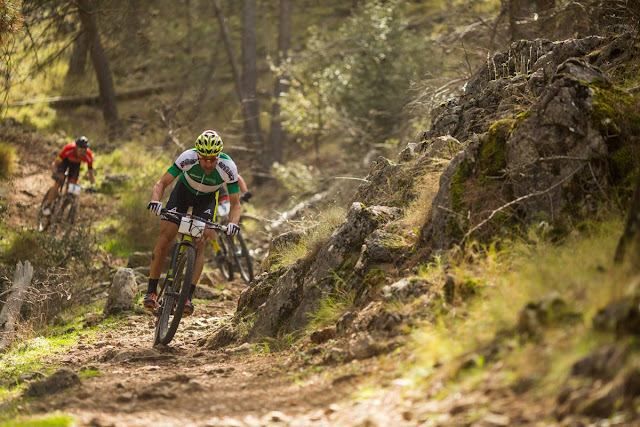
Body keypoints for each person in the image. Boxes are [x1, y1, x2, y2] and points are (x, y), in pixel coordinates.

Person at [144, 130, 242, 316]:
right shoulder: (187, 158)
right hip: (182, 194)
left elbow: (235, 203)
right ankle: (151, 291)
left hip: (206, 200)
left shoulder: (228, 167)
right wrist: (156, 201)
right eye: (204, 158)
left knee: (199, 243)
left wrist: (233, 223)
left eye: (212, 159)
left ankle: (187, 297)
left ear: (218, 156)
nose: (208, 163)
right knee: (165, 240)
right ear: (197, 154)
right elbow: (161, 183)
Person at [41, 136, 96, 216]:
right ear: (76, 148)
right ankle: (48, 205)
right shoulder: (69, 149)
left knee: (71, 188)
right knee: (59, 181)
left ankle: (62, 209)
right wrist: (55, 173)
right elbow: (55, 163)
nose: (82, 153)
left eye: (84, 151)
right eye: (81, 150)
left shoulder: (88, 155)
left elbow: (90, 173)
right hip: (64, 162)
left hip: (75, 165)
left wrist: (93, 186)